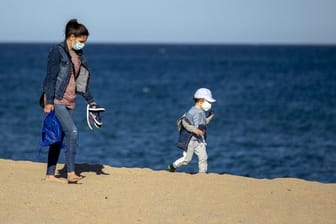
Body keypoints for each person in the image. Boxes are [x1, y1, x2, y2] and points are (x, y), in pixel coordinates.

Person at [41, 19, 100, 184]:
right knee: (72, 132)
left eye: (85, 42)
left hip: (70, 100)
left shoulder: (78, 54)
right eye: (81, 41)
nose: (83, 45)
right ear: (72, 36)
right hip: (57, 99)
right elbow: (51, 78)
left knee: (58, 136)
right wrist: (49, 101)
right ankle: (71, 173)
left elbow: (79, 81)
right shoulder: (57, 52)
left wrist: (91, 101)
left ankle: (50, 175)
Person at [168, 88, 216, 173]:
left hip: (199, 140)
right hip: (190, 140)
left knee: (203, 157)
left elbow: (203, 123)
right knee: (187, 160)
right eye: (208, 101)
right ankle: (173, 166)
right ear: (201, 100)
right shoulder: (192, 111)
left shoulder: (201, 112)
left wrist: (210, 117)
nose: (209, 104)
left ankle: (202, 174)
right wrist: (194, 130)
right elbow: (184, 122)